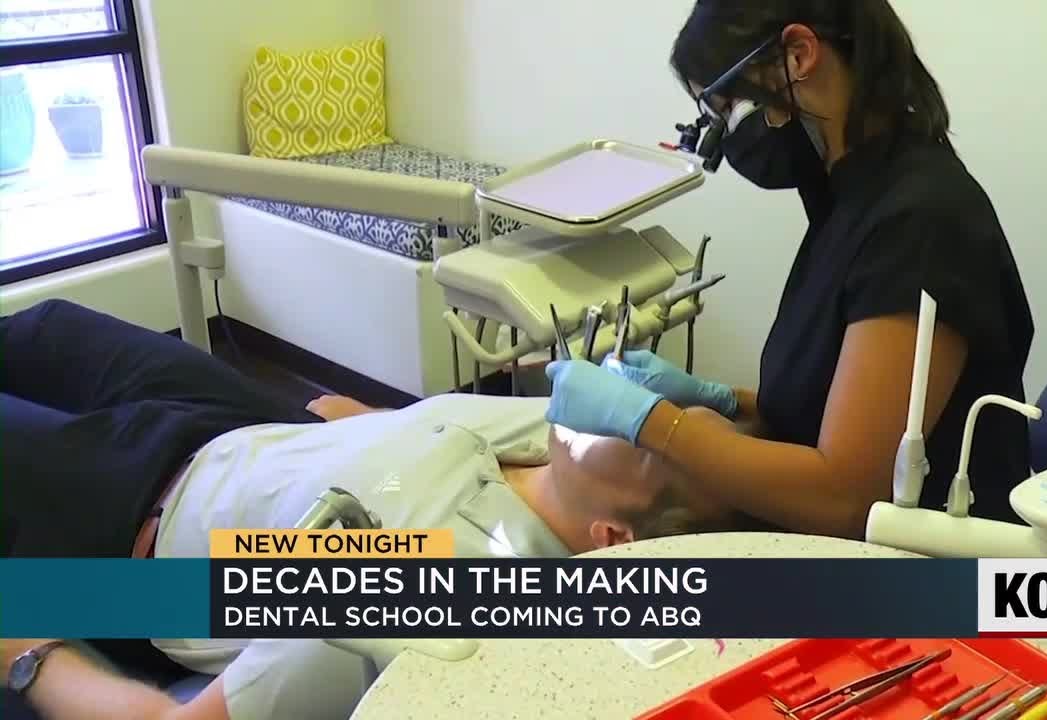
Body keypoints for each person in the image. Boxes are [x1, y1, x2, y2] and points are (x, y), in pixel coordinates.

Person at [1, 299, 727, 720]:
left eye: (647, 437)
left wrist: (32, 658)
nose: (629, 408)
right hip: (241, 424)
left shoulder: (418, 582)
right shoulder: (557, 444)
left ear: (611, 540)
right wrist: (367, 424)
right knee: (44, 328)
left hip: (143, 510)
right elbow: (418, 423)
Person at [544, 0, 1035, 538]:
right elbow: (835, 402)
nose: (728, 141)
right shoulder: (846, 195)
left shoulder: (919, 222)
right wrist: (722, 398)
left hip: (940, 581)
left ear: (798, 55)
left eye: (728, 109)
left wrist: (654, 423)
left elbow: (848, 496)